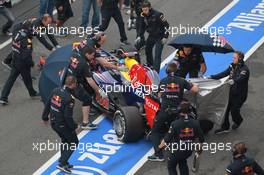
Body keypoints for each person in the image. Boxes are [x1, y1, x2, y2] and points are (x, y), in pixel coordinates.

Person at [148, 62, 199, 161]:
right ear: (177, 71)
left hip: (165, 111)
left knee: (155, 131)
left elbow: (158, 95)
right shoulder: (182, 81)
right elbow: (195, 90)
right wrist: (193, 84)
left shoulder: (163, 81)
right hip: (178, 113)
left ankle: (159, 155)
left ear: (167, 71)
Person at [42, 75, 80, 174]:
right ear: (72, 84)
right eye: (75, 83)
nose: (76, 85)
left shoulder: (56, 90)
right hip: (63, 124)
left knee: (65, 140)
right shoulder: (69, 98)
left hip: (53, 122)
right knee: (74, 142)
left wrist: (44, 117)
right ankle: (62, 163)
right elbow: (68, 117)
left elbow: (48, 103)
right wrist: (75, 126)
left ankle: (63, 160)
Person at [209, 51, 250, 134]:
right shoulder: (232, 66)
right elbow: (224, 73)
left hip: (239, 95)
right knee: (225, 110)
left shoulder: (244, 70)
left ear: (240, 59)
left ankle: (238, 121)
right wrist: (212, 77)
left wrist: (234, 80)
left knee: (234, 111)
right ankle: (225, 127)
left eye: (234, 58)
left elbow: (240, 78)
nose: (233, 59)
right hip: (230, 92)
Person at [159, 101, 205, 175]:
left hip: (177, 151)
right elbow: (201, 139)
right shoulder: (196, 123)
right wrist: (199, 150)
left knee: (171, 166)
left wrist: (159, 147)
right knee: (182, 162)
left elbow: (166, 139)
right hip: (188, 151)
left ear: (179, 110)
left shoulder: (175, 124)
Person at [0, 24, 39, 105]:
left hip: (15, 59)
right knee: (27, 79)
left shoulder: (17, 33)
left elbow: (17, 25)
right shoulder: (28, 42)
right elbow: (26, 56)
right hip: (22, 64)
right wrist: (32, 64)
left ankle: (3, 97)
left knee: (11, 79)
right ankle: (32, 93)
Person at [67, 46, 102, 129]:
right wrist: (99, 91)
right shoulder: (84, 64)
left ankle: (90, 108)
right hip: (73, 84)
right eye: (92, 55)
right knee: (87, 99)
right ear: (87, 54)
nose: (93, 57)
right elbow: (90, 80)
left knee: (87, 90)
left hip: (67, 77)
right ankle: (85, 123)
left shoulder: (75, 54)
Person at [137, 0, 169, 73]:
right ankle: (150, 65)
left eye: (146, 9)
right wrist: (139, 36)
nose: (145, 11)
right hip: (151, 36)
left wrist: (165, 37)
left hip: (160, 37)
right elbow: (141, 27)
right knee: (147, 50)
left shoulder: (158, 14)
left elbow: (167, 25)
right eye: (143, 9)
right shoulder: (143, 15)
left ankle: (156, 72)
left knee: (157, 55)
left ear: (150, 8)